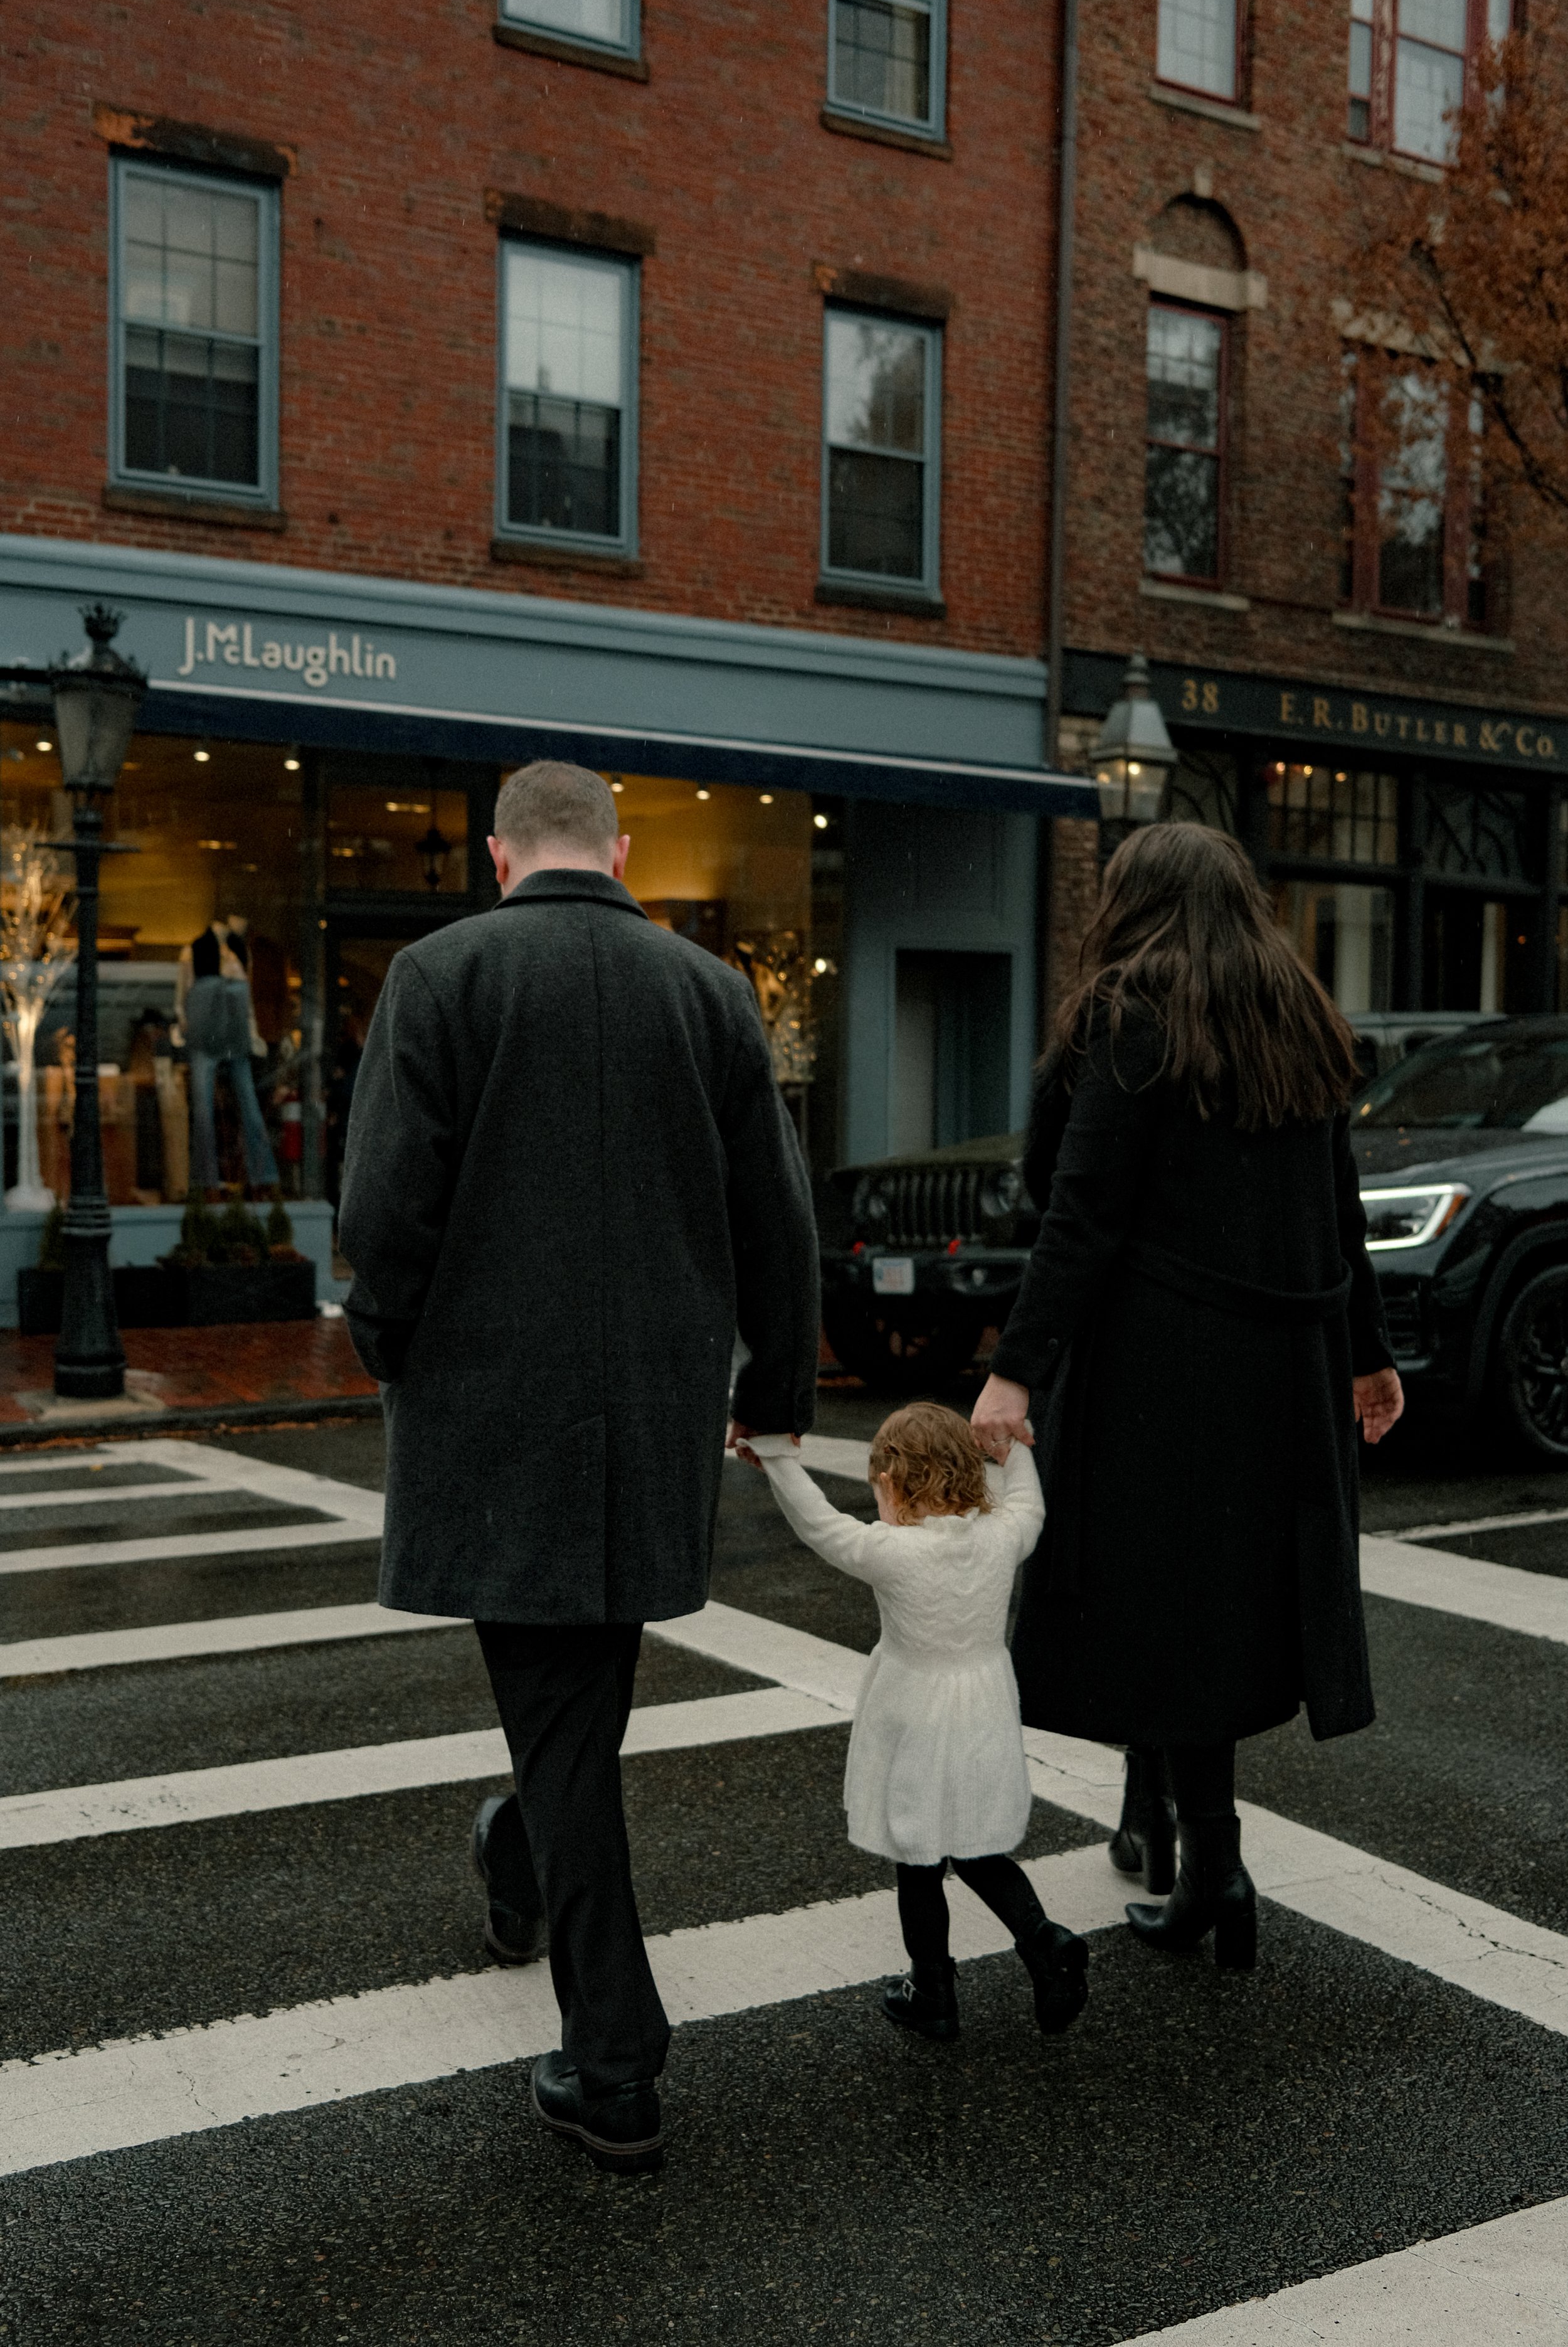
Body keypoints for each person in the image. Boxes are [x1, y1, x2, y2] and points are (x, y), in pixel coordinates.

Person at [338, 760, 819, 2176]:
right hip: (651, 1415)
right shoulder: (710, 992)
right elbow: (775, 1219)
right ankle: (520, 1858)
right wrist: (777, 1387)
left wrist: (388, 1344)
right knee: (574, 1710)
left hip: (496, 1417)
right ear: (616, 849)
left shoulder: (438, 977)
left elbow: (381, 1206)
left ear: (499, 856)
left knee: (559, 1719)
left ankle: (616, 2061)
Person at [971, 823, 1402, 1972]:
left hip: (1159, 1373)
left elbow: (1080, 1211)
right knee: (1219, 1621)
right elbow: (1337, 1206)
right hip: (1280, 1376)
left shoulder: (1131, 1017)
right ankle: (1212, 1868)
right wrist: (1369, 1353)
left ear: (1134, 902)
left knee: (1157, 1612)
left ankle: (1206, 1862)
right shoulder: (1300, 1018)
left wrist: (1018, 1368)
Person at [736, 1402, 1089, 2040]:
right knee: (977, 1849)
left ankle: (933, 1991)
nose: (878, 1505)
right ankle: (1043, 1941)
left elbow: (819, 1525)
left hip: (916, 1721)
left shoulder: (891, 1552)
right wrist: (1014, 1452)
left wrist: (777, 1456)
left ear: (899, 1483)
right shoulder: (1000, 1536)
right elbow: (1029, 1509)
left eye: (881, 1490)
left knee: (918, 1861)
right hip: (983, 1709)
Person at [174, 916, 278, 1195]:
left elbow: (248, 1006)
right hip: (205, 1033)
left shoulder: (240, 954)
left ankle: (263, 1175)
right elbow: (183, 998)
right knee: (204, 1111)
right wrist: (185, 1026)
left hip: (234, 1032)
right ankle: (205, 1180)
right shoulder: (193, 951)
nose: (243, 922)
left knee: (249, 1105)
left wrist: (253, 1033)